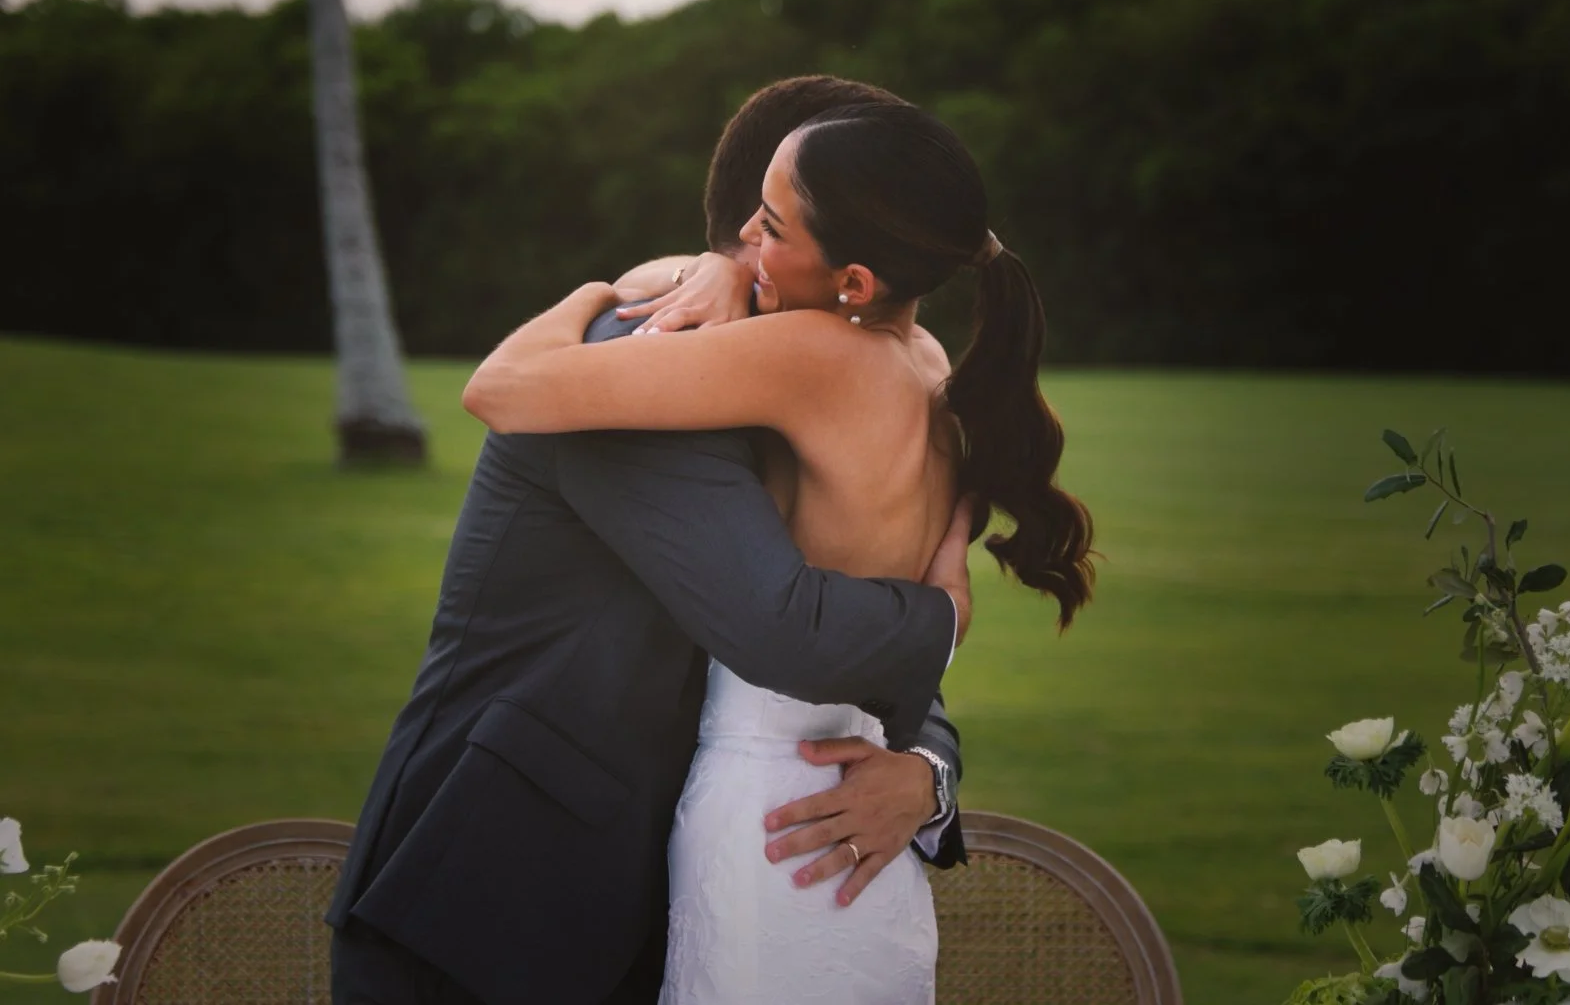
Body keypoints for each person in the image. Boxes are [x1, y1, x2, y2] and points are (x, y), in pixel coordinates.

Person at [327, 78, 971, 1005]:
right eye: (766, 220)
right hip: (487, 910)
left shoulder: (796, 379)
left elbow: (859, 638)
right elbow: (786, 628)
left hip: (672, 911)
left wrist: (927, 774)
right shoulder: (636, 355)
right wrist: (946, 612)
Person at [462, 100, 1096, 1003]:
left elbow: (503, 388)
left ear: (854, 282)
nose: (747, 243)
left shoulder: (810, 357)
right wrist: (722, 268)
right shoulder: (931, 373)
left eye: (772, 227)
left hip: (774, 825)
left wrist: (591, 294)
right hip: (864, 829)